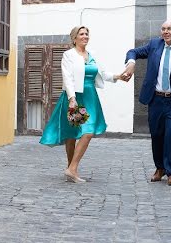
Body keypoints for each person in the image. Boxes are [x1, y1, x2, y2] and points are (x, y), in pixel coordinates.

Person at [40, 25, 130, 183]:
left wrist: (118, 77)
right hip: (75, 96)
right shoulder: (69, 55)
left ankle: (72, 168)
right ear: (74, 38)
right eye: (81, 34)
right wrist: (71, 98)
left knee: (87, 132)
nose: (85, 36)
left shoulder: (92, 54)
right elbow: (67, 77)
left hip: (90, 97)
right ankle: (71, 169)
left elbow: (101, 73)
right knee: (71, 134)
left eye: (87, 34)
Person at [122, 19, 171, 186]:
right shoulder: (154, 45)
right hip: (156, 99)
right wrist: (131, 63)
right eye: (163, 29)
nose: (165, 32)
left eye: (169, 29)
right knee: (157, 135)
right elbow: (132, 51)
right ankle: (160, 168)